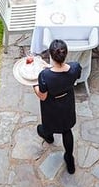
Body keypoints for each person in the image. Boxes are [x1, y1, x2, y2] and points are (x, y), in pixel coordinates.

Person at [33, 39, 82, 174]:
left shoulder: (44, 76)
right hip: (67, 104)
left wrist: (34, 85)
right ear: (65, 54)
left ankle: (48, 136)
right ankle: (69, 159)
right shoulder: (75, 67)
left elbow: (42, 96)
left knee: (48, 124)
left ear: (50, 54)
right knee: (67, 130)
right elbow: (73, 76)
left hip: (51, 106)